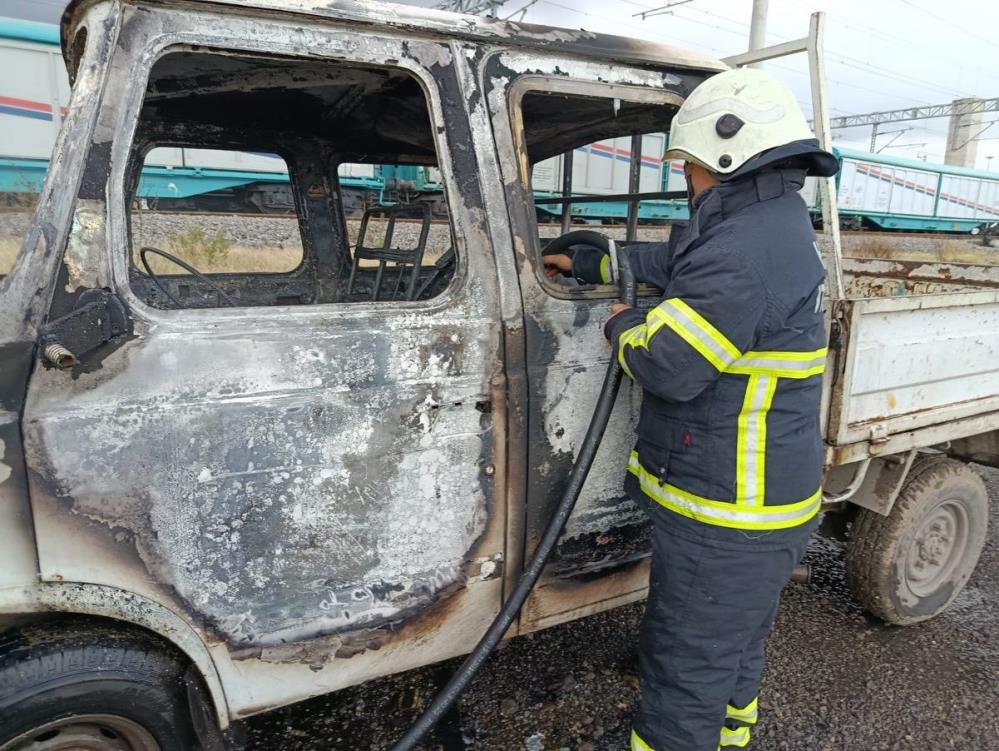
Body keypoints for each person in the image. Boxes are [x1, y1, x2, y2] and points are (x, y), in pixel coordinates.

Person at [544, 68, 840, 751]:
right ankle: (729, 736)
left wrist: (621, 322)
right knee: (731, 645)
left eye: (690, 164)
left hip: (728, 516)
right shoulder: (763, 225)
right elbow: (682, 261)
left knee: (686, 666)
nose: (685, 176)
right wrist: (595, 262)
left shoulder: (746, 250)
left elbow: (668, 363)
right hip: (759, 505)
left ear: (728, 155)